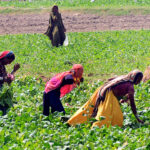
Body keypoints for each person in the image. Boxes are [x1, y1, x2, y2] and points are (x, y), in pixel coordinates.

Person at [67, 70, 144, 128]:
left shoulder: (124, 77)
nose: (139, 81)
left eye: (140, 79)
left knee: (89, 107)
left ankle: (74, 121)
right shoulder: (130, 86)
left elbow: (110, 79)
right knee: (106, 113)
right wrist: (137, 116)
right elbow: (132, 102)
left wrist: (122, 96)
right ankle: (97, 127)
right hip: (108, 93)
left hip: (102, 89)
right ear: (134, 77)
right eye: (138, 79)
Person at [0, 51, 20, 115]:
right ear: (4, 57)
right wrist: (4, 79)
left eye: (10, 62)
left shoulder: (2, 66)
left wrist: (14, 71)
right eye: (8, 61)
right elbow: (3, 78)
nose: (8, 63)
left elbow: (6, 79)